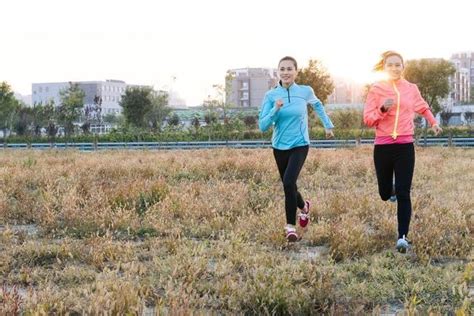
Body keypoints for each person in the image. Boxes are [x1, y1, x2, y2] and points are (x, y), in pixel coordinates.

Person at [363, 51, 442, 252]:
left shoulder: (411, 89)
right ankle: (391, 191)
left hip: (405, 146)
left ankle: (402, 237)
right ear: (384, 67)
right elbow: (368, 119)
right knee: (383, 192)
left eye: (398, 65)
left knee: (404, 192)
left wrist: (433, 122)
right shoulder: (377, 89)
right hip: (383, 146)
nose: (395, 68)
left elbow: (423, 107)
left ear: (403, 67)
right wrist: (382, 109)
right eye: (390, 65)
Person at [259, 56, 334, 242]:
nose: (286, 72)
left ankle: (290, 227)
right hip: (279, 146)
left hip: (300, 144)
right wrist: (275, 109)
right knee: (290, 184)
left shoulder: (305, 91)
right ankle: (304, 206)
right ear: (278, 72)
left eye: (289, 69)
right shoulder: (271, 96)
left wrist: (328, 125)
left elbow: (317, 105)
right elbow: (263, 125)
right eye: (282, 69)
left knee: (288, 182)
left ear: (296, 71)